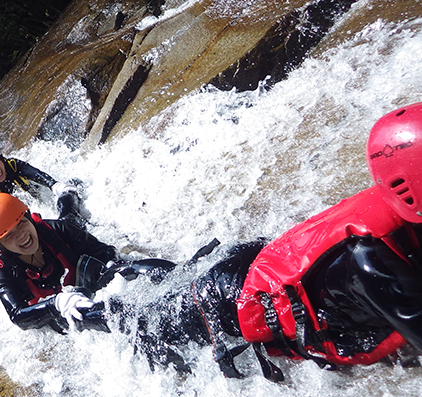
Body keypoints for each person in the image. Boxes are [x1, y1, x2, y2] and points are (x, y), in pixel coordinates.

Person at [125, 102, 422, 381]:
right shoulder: (374, 265)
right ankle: (89, 302)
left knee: (167, 284)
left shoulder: (403, 214)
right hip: (226, 301)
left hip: (254, 267)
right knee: (134, 327)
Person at [0, 192, 178, 333]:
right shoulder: (2, 270)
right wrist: (56, 304)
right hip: (59, 307)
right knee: (83, 315)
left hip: (82, 276)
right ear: (0, 248)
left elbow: (104, 251)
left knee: (72, 218)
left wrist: (113, 269)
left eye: (22, 223)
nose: (22, 236)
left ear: (28, 217)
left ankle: (184, 274)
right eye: (9, 236)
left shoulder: (56, 229)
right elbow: (17, 316)